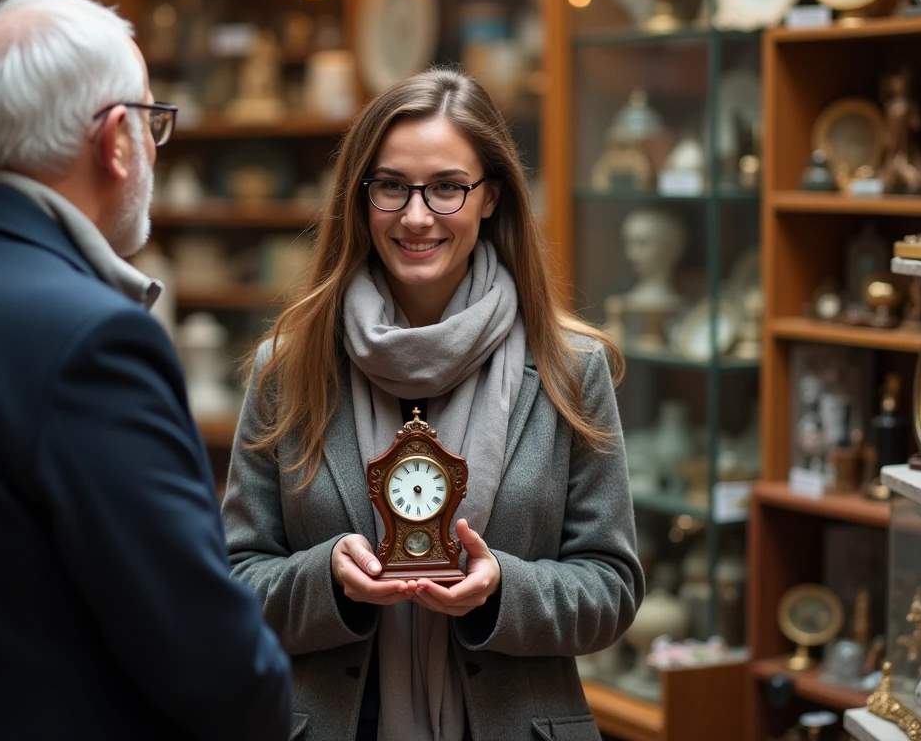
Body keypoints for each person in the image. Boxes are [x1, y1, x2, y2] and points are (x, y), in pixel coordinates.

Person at [0, 0, 291, 740]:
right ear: (115, 139)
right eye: (150, 121)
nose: (152, 147)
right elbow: (222, 670)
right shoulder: (95, 341)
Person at [223, 68, 645, 741]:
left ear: (490, 197)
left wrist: (500, 588)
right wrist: (327, 579)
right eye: (391, 186)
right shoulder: (290, 367)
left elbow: (613, 589)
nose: (416, 216)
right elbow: (235, 582)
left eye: (447, 187)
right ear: (360, 198)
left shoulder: (570, 367)